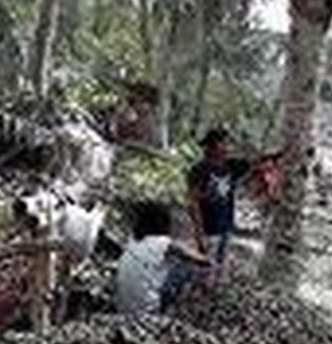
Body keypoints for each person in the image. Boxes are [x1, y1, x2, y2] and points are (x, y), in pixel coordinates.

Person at [186, 128, 285, 280]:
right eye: (223, 143)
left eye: (228, 144)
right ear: (211, 146)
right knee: (204, 271)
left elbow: (256, 161)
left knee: (221, 270)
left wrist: (279, 154)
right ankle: (199, 294)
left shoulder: (231, 166)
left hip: (226, 227)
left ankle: (214, 296)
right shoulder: (199, 170)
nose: (227, 147)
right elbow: (193, 202)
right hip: (208, 230)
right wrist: (199, 234)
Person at [114, 202, 210, 314]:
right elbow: (201, 260)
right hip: (147, 309)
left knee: (163, 265)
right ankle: (180, 309)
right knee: (186, 268)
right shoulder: (162, 242)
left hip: (122, 307)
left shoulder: (132, 241)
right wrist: (209, 259)